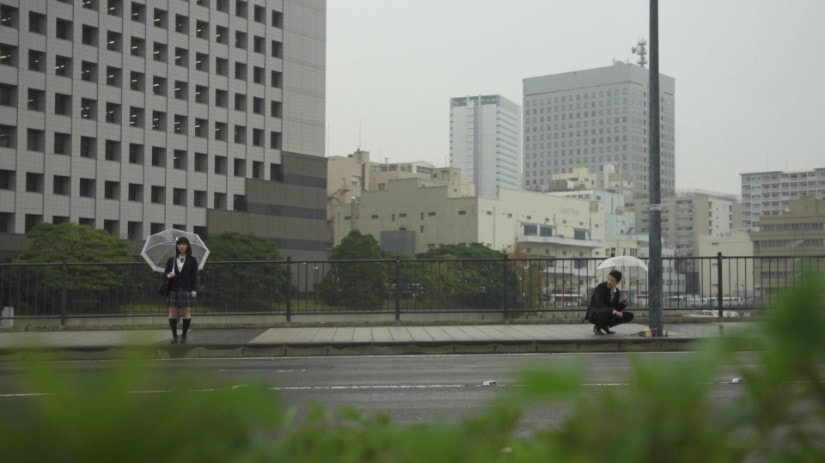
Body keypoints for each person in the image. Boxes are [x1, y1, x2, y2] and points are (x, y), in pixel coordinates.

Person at [165, 237, 198, 344]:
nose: (181, 246)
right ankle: (174, 336)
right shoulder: (171, 260)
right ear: (177, 246)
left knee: (186, 313)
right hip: (173, 289)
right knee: (172, 314)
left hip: (186, 289)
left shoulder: (192, 260)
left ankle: (184, 335)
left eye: (184, 244)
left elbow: (194, 276)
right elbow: (165, 273)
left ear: (187, 246)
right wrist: (169, 275)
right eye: (179, 244)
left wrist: (194, 289)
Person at [586, 269, 634, 335]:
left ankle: (605, 325)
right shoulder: (600, 287)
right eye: (608, 279)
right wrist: (614, 311)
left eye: (612, 280)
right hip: (595, 313)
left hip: (607, 313)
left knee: (629, 315)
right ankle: (597, 328)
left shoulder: (616, 291)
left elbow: (616, 308)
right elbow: (600, 305)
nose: (609, 282)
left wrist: (624, 302)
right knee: (605, 311)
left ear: (617, 282)